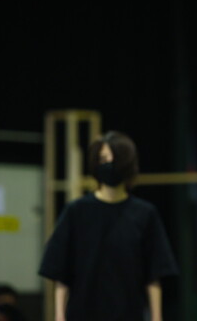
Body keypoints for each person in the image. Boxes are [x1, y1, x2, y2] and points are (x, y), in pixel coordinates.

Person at [38, 130, 179, 321]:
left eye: (115, 159)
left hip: (129, 314)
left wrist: (156, 317)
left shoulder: (145, 214)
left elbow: (154, 275)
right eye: (103, 159)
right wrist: (59, 316)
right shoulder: (76, 212)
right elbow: (61, 272)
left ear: (127, 163)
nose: (109, 164)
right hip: (82, 314)